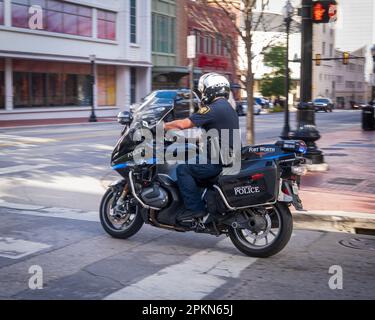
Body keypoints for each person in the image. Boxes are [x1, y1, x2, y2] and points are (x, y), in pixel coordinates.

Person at [164, 73, 240, 222]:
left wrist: (161, 125)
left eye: (203, 90)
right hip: (228, 158)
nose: (203, 94)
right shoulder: (228, 108)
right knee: (193, 159)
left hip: (217, 161)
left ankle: (194, 210)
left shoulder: (212, 109)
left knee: (183, 169)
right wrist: (189, 140)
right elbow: (214, 133)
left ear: (211, 90)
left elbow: (183, 124)